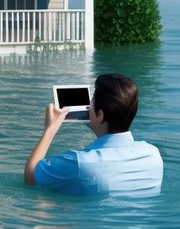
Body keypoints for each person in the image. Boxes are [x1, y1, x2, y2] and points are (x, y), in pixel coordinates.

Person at [24, 73, 163, 194]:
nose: (88, 105)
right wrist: (97, 123)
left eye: (92, 100)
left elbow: (30, 176)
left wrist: (50, 129)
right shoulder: (153, 154)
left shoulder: (78, 163)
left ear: (100, 115)